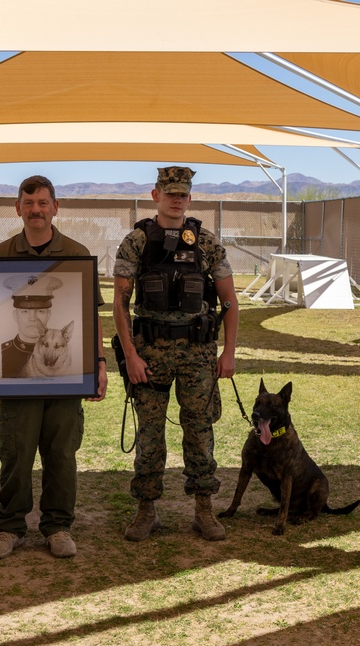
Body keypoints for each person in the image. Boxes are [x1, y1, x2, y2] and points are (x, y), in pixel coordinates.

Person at [0, 175, 107, 559]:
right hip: (14, 381)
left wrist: (98, 362)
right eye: (29, 204)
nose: (36, 210)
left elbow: (91, 315)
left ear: (55, 207)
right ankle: (10, 527)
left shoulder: (77, 254)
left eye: (43, 203)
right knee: (16, 451)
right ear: (18, 208)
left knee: (62, 453)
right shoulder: (0, 254)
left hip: (67, 379)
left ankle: (58, 526)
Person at [113, 166, 239, 542]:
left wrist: (229, 353)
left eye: (182, 194)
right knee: (150, 433)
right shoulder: (136, 241)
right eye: (169, 193)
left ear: (190, 197)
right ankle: (146, 511)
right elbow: (120, 304)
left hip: (198, 354)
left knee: (200, 431)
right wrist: (131, 355)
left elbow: (230, 302)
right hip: (149, 354)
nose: (176, 199)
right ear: (156, 195)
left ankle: (203, 510)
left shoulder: (207, 242)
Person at [0, 274, 63, 377]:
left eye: (41, 311)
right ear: (15, 315)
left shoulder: (64, 355)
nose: (33, 318)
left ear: (49, 315)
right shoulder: (1, 352)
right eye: (25, 311)